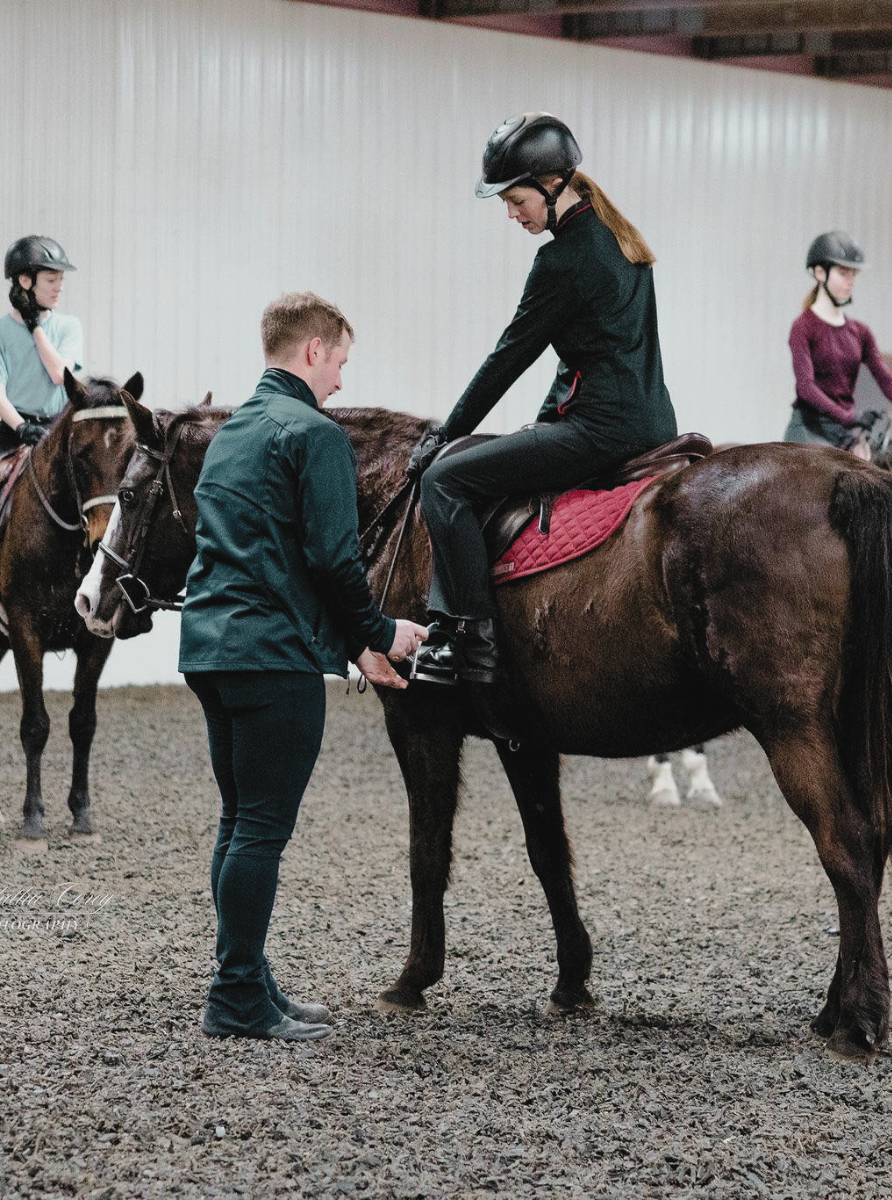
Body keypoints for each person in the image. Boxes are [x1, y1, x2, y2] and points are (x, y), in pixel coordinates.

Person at [178, 291, 428, 1042]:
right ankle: (235, 1001)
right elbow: (331, 559)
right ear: (312, 351)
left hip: (210, 649)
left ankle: (247, 980)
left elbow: (270, 552)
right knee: (260, 829)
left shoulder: (232, 433)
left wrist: (355, 649)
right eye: (341, 362)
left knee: (237, 821)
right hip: (269, 656)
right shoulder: (312, 433)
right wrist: (382, 630)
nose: (343, 382)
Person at [408, 112, 677, 686]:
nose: (510, 213)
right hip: (653, 425)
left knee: (446, 479)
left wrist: (444, 435)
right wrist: (539, 425)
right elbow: (587, 356)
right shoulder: (618, 239)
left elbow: (510, 356)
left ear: (552, 185)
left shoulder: (562, 259)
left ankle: (471, 645)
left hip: (600, 433)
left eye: (515, 199)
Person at [784, 231, 892, 458]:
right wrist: (850, 417)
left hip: (845, 432)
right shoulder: (803, 327)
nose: (851, 280)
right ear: (820, 272)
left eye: (854, 273)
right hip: (810, 429)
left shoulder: (860, 332)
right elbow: (806, 388)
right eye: (843, 272)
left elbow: (885, 379)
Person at [0, 236, 82, 454]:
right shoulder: (2, 330)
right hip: (14, 428)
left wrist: (34, 327)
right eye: (51, 280)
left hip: (58, 427)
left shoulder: (69, 326)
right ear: (25, 281)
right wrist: (21, 427)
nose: (59, 288)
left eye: (61, 280)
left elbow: (59, 375)